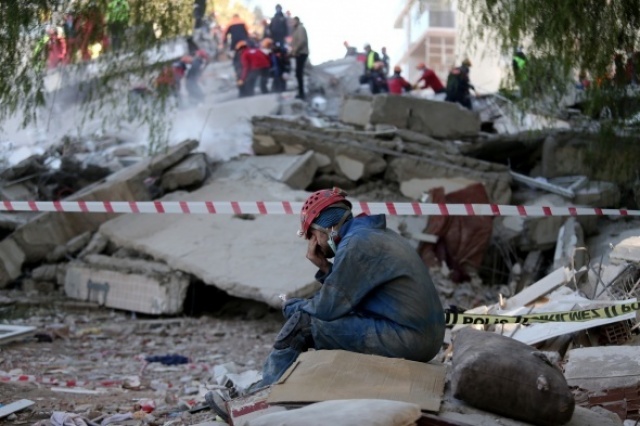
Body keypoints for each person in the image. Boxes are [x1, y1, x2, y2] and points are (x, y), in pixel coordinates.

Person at [257, 187, 445, 386]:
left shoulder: (356, 244)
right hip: (425, 337)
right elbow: (351, 293)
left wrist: (293, 306)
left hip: (410, 340)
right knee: (314, 318)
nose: (314, 244)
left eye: (313, 236)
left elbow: (327, 309)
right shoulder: (372, 235)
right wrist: (323, 266)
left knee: (303, 324)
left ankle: (264, 393)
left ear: (327, 229)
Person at [290, 16, 309, 100]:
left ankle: (302, 93)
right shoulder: (296, 30)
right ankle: (300, 92)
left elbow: (302, 41)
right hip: (298, 53)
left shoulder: (300, 29)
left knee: (299, 73)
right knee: (298, 73)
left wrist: (295, 50)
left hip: (301, 53)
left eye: (293, 21)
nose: (292, 23)